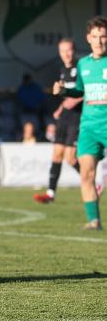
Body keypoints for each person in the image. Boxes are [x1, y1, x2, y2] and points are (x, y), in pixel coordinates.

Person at [54, 16, 107, 230]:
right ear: (88, 39)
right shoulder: (83, 64)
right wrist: (64, 91)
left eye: (103, 37)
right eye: (95, 37)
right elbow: (79, 90)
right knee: (86, 174)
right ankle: (94, 220)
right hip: (88, 127)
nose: (99, 41)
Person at [34, 38, 83, 204]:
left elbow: (87, 90)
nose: (66, 54)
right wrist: (60, 108)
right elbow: (66, 94)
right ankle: (50, 194)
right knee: (56, 155)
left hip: (77, 116)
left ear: (74, 50)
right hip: (64, 117)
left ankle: (93, 182)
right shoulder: (63, 70)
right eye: (63, 51)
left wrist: (74, 100)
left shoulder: (81, 68)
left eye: (69, 50)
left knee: (70, 158)